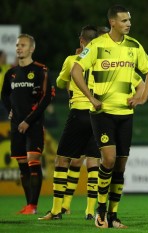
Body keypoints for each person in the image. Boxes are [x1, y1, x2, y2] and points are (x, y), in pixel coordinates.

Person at [70, 5, 148, 229]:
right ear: (113, 23)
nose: (129, 23)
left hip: (125, 114)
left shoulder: (134, 46)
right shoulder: (97, 45)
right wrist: (91, 98)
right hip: (103, 113)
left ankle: (114, 214)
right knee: (108, 159)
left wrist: (143, 97)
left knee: (120, 166)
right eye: (124, 20)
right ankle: (100, 210)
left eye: (129, 20)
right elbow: (76, 71)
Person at [38, 25, 108, 221]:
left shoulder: (72, 60)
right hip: (98, 114)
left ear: (81, 41)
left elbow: (60, 83)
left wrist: (69, 80)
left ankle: (56, 210)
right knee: (94, 162)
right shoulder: (103, 61)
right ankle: (90, 210)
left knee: (62, 159)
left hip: (79, 112)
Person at [1, 34, 54, 214]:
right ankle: (28, 204)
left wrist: (28, 121)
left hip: (34, 124)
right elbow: (4, 95)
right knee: (22, 164)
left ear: (31, 49)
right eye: (17, 45)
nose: (18, 48)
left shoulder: (41, 70)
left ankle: (33, 205)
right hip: (16, 125)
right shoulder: (11, 73)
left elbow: (46, 98)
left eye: (22, 45)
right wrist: (10, 110)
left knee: (33, 161)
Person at [0, 50, 11, 120]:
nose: (6, 58)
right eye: (4, 56)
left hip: (5, 100)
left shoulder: (7, 67)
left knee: (6, 120)